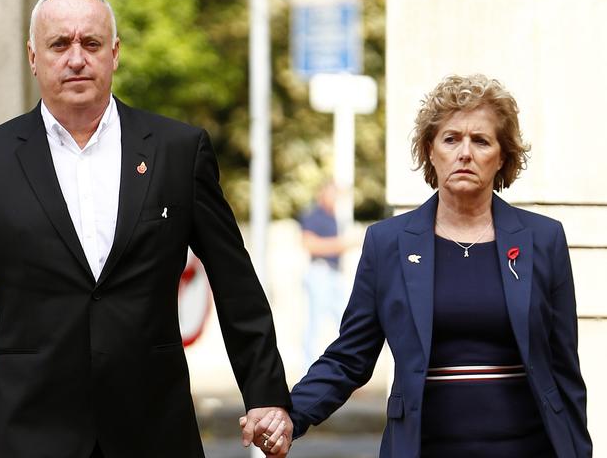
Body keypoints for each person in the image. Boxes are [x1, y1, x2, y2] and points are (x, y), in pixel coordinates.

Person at [0, 0, 292, 458]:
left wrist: (267, 396)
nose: (76, 58)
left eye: (91, 43)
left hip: (154, 428)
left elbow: (235, 281)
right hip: (34, 430)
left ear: (114, 54)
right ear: (33, 56)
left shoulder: (177, 152)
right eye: (59, 44)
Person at [249, 74, 592, 456]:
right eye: (450, 139)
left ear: (502, 157)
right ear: (430, 151)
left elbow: (565, 370)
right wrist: (292, 416)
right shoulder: (388, 243)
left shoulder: (544, 240)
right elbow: (350, 356)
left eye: (481, 140)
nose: (465, 152)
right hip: (423, 447)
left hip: (529, 448)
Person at [298, 182, 351, 370]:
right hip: (320, 272)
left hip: (334, 273)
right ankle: (309, 370)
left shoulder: (335, 218)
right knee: (315, 324)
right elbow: (310, 245)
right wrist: (340, 244)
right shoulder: (314, 215)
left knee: (345, 322)